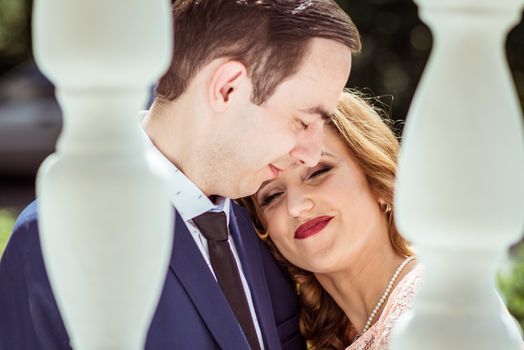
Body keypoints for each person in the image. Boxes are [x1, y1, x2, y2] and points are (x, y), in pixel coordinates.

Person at [0, 1, 361, 349]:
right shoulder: (57, 234)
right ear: (227, 88)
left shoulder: (262, 221)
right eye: (303, 120)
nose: (311, 153)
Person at [240, 90, 418, 349]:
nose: (296, 206)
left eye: (318, 172)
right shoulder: (331, 334)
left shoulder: (439, 309)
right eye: (273, 195)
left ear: (376, 179)